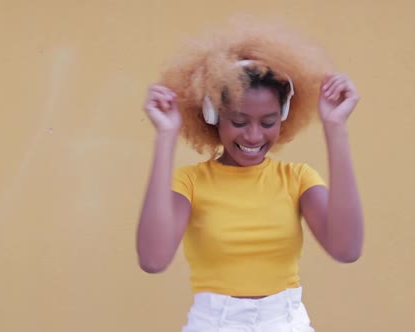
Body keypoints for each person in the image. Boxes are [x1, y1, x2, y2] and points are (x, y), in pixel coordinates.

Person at [136, 22, 364, 331]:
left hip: (286, 322)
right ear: (213, 116)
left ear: (284, 115)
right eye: (239, 121)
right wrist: (166, 135)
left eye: (268, 121)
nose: (254, 135)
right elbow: (153, 260)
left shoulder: (297, 179)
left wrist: (336, 127)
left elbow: (347, 249)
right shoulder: (190, 183)